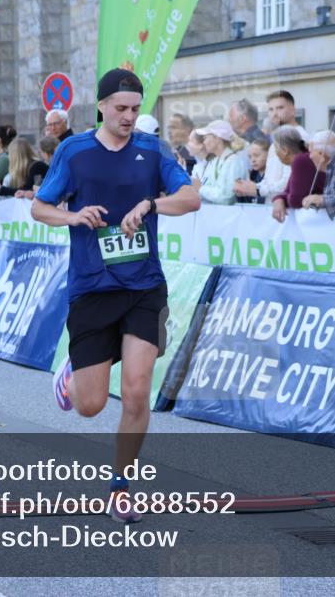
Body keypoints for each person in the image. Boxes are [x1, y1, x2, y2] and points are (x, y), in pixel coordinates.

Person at [31, 68, 199, 523]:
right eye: (120, 108)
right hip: (92, 287)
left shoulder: (152, 148)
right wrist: (73, 217)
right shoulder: (74, 150)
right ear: (101, 106)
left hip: (144, 286)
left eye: (135, 108)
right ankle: (72, 374)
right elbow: (39, 207)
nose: (128, 117)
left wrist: (150, 204)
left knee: (138, 390)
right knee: (91, 405)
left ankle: (121, 486)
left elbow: (190, 198)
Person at [271, 126, 324, 223]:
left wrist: (282, 199)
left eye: (275, 148)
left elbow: (295, 200)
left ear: (284, 150)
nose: (275, 153)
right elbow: (287, 192)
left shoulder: (301, 160)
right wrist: (278, 199)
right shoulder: (302, 158)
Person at [192, 120, 247, 205]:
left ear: (217, 139)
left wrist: (200, 188)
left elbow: (226, 198)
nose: (204, 142)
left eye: (206, 138)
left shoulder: (233, 162)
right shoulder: (215, 161)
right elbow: (208, 190)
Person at [235, 138, 270, 204]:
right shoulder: (251, 176)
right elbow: (247, 204)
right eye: (250, 157)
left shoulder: (273, 176)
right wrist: (240, 194)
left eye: (256, 155)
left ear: (268, 154)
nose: (252, 160)